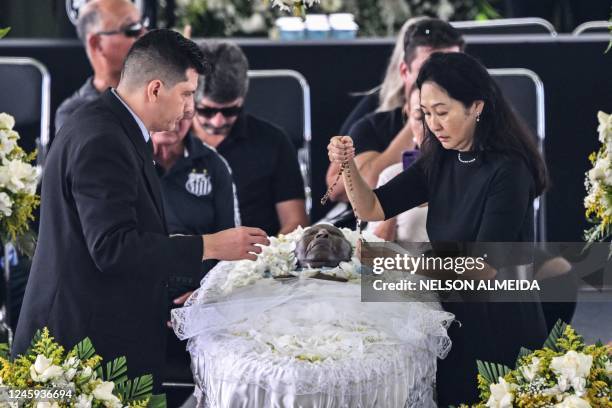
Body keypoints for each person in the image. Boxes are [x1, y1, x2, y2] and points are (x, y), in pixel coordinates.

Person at [13, 29, 269, 389]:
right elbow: (113, 248)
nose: (188, 109)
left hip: (98, 338)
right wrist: (210, 245)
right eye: (186, 94)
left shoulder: (108, 125)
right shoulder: (103, 140)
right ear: (154, 89)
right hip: (78, 351)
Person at [327, 52, 549, 405]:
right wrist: (347, 165)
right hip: (453, 318)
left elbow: (481, 268)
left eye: (442, 112)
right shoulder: (441, 157)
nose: (433, 125)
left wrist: (397, 262)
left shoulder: (509, 171)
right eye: (426, 114)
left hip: (500, 325)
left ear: (476, 106)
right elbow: (371, 206)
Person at [326, 18, 465, 203]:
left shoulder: (479, 120)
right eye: (426, 71)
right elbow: (355, 189)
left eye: (451, 70)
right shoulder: (374, 124)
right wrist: (417, 119)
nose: (439, 81)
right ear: (405, 71)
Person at [191, 40, 309, 237]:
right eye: (207, 110)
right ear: (189, 96)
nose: (218, 121)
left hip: (255, 258)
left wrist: (267, 257)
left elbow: (296, 223)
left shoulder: (273, 141)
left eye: (230, 110)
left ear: (243, 97)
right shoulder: (167, 141)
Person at [55, 0, 147, 132]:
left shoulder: (165, 93)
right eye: (133, 29)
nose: (145, 34)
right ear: (96, 44)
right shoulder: (76, 114)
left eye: (143, 24)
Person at [365, 84, 428, 243]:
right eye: (420, 117)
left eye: (441, 113)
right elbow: (374, 254)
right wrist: (393, 206)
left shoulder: (482, 173)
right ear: (408, 114)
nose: (431, 126)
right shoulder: (392, 175)